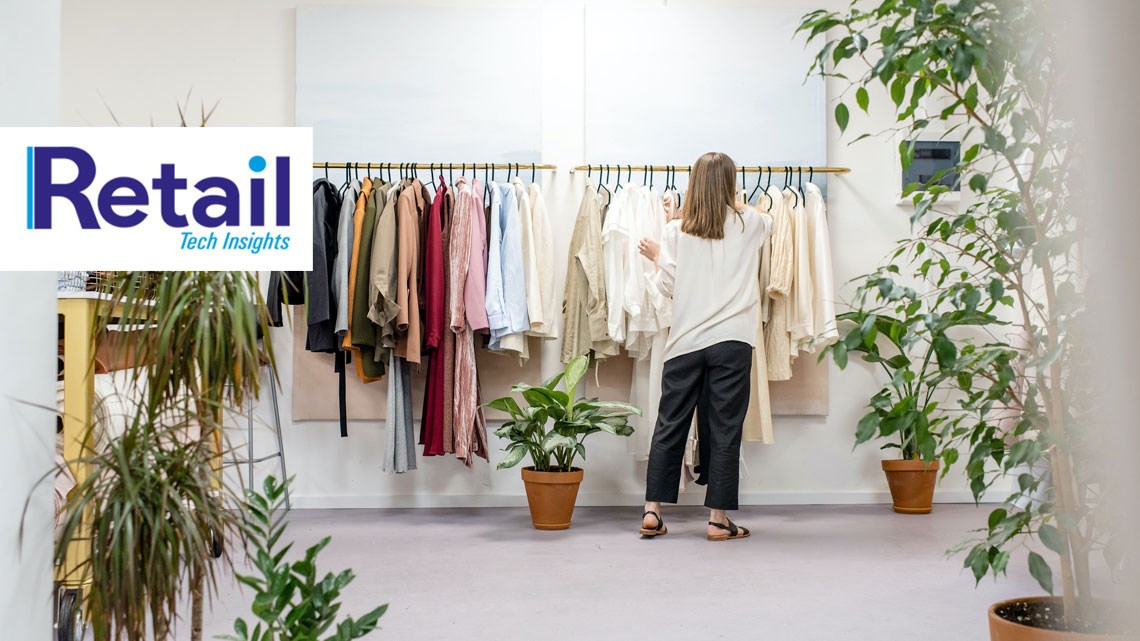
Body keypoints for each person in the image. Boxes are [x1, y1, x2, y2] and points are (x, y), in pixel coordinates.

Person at [636, 152, 772, 541]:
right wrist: (732, 199)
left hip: (685, 342)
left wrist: (661, 258)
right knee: (725, 429)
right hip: (732, 340)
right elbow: (770, 221)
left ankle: (652, 512)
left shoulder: (676, 232)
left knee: (669, 424)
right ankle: (717, 520)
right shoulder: (750, 223)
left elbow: (668, 287)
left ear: (692, 184)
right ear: (731, 184)